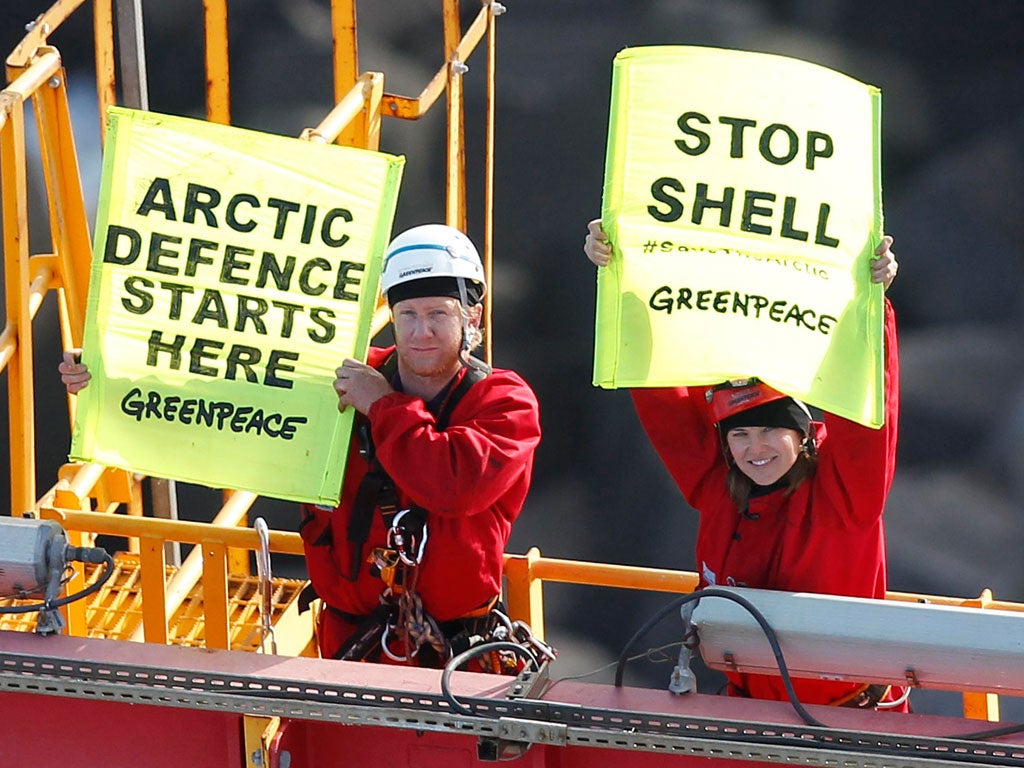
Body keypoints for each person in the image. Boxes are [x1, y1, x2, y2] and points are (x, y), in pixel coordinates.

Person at [60, 223, 542, 672]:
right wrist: (111, 377)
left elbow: (451, 485)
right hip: (351, 649)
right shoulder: (344, 377)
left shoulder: (504, 403)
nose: (421, 332)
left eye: (439, 314)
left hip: (458, 661)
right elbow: (224, 394)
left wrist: (383, 406)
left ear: (473, 315)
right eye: (407, 314)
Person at [584, 220, 907, 710]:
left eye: (770, 431)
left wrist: (871, 301)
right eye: (739, 434)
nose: (755, 448)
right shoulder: (717, 482)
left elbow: (870, 408)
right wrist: (623, 274)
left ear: (801, 434)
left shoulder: (846, 497)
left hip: (847, 724)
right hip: (745, 713)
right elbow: (654, 384)